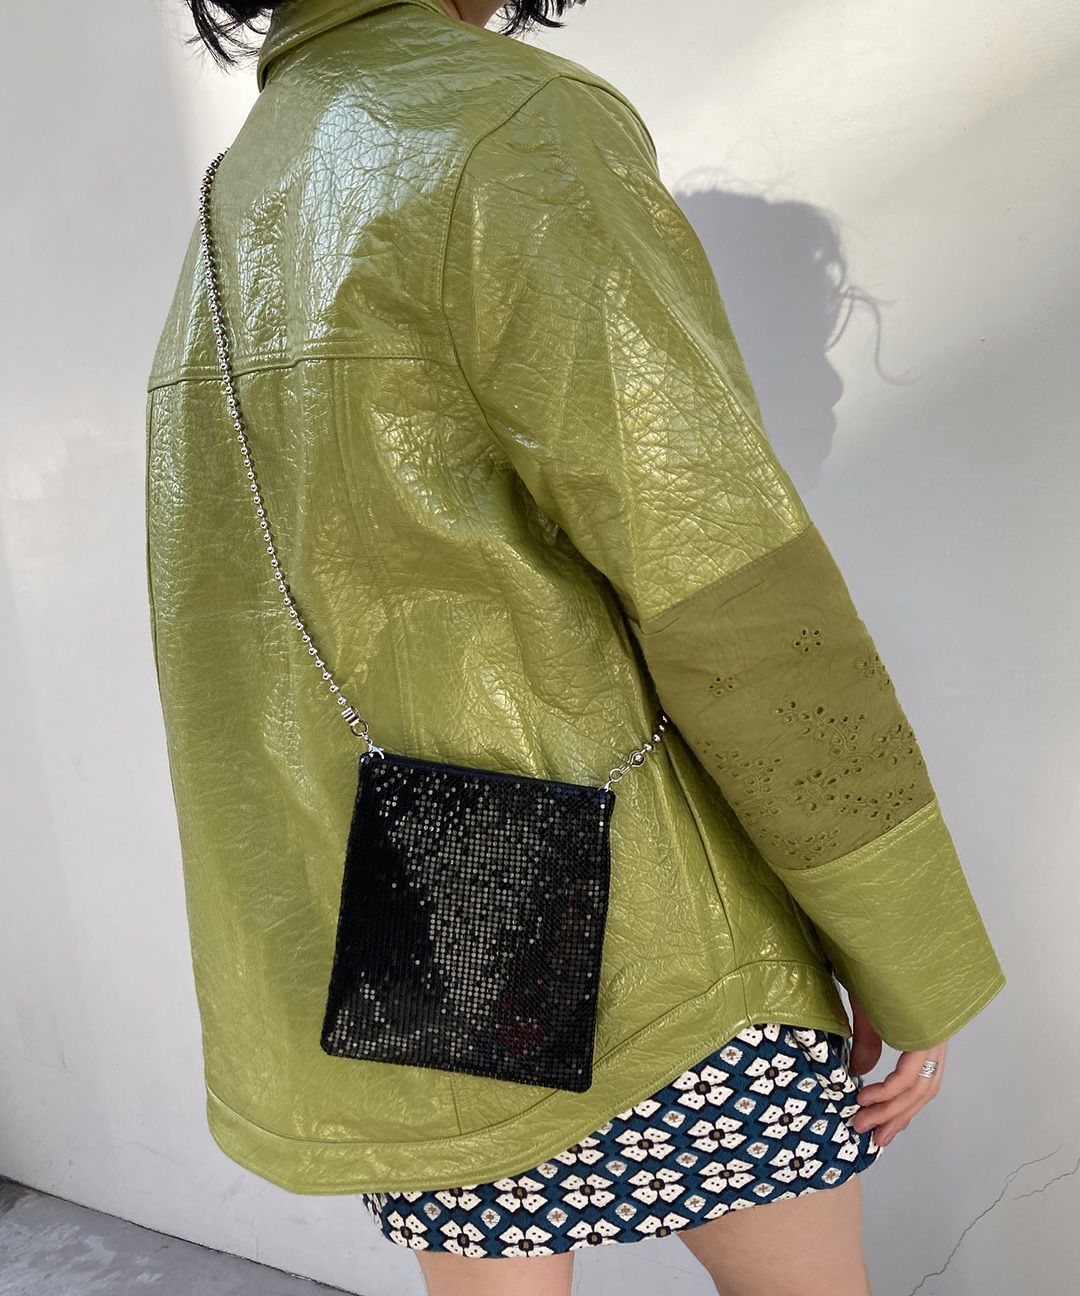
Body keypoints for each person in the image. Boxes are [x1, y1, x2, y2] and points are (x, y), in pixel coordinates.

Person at [145, 2, 1007, 1293]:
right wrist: (902, 942)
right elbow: (724, 587)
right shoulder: (517, 126)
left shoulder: (241, 188)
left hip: (420, 940)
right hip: (654, 939)